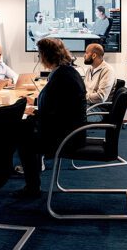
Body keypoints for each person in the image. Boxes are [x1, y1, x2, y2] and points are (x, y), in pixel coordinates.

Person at [13, 38, 87, 198]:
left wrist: (35, 112)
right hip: (71, 131)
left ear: (46, 55)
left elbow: (57, 114)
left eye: (40, 55)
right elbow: (59, 105)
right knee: (25, 128)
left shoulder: (61, 76)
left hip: (67, 137)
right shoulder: (66, 72)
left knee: (23, 135)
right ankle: (32, 185)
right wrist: (37, 105)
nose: (39, 58)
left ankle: (32, 187)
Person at [83, 43, 116, 119]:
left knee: (70, 116)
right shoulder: (89, 69)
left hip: (98, 110)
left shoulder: (107, 70)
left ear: (94, 55)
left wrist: (82, 98)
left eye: (87, 53)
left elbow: (101, 97)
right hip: (88, 106)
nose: (84, 55)